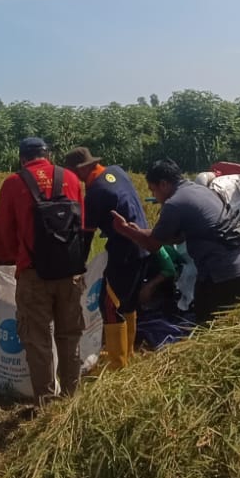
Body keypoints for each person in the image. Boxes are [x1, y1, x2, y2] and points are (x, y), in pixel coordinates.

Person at [0, 137, 86, 404]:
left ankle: (45, 401)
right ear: (48, 155)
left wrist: (9, 258)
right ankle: (70, 398)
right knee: (70, 335)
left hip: (33, 274)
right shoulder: (70, 178)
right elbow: (83, 224)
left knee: (37, 338)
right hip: (70, 272)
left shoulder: (13, 183)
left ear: (22, 158)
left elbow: (3, 233)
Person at [112, 159, 240, 326]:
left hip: (223, 276)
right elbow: (177, 237)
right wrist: (138, 232)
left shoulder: (174, 203)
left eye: (153, 190)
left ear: (163, 184)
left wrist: (125, 230)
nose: (154, 196)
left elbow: (153, 245)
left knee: (209, 330)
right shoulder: (201, 191)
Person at [64, 145, 146, 369]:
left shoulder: (95, 193)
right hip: (142, 245)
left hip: (124, 250)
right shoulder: (116, 171)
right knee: (127, 302)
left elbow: (86, 236)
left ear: (80, 170)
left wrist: (78, 266)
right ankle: (128, 355)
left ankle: (118, 365)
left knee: (110, 305)